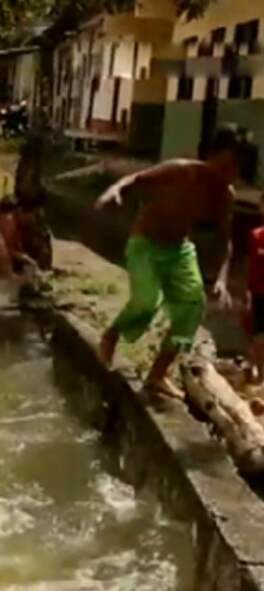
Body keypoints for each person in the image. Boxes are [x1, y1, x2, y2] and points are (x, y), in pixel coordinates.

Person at [97, 126, 245, 399]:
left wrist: (222, 278)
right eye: (224, 166)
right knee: (147, 301)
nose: (227, 175)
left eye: (234, 170)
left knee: (193, 307)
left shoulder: (225, 195)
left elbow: (226, 241)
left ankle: (157, 375)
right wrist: (114, 191)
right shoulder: (181, 171)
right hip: (145, 244)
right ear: (211, 156)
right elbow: (136, 178)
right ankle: (111, 336)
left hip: (179, 250)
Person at [246, 195, 264, 383]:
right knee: (259, 336)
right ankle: (259, 373)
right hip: (259, 293)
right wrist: (247, 293)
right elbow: (250, 266)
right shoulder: (256, 235)